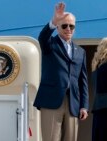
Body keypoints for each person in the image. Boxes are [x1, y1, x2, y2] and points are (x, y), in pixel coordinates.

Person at [33, 2, 89, 141]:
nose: (68, 29)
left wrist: (84, 106)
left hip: (73, 103)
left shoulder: (81, 52)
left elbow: (83, 81)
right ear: (58, 27)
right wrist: (53, 20)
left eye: (71, 26)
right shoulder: (50, 44)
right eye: (64, 25)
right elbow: (42, 37)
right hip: (52, 100)